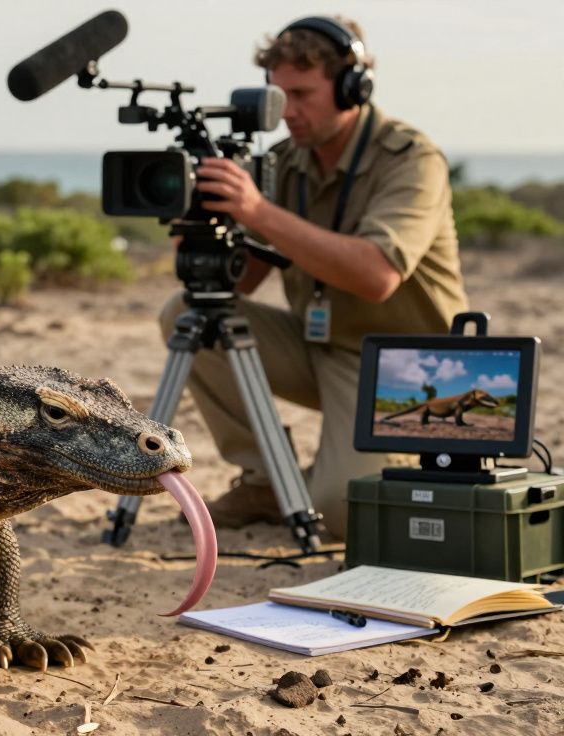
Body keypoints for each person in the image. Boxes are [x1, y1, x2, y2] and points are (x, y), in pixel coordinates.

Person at [157, 15, 469, 539]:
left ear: (353, 85)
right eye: (279, 95)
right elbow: (239, 285)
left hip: (408, 367)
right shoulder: (283, 161)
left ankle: (328, 475)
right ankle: (262, 480)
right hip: (320, 346)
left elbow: (377, 275)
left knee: (340, 513)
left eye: (302, 94)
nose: (288, 112)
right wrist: (203, 222)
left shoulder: (410, 159)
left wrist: (257, 211)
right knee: (187, 314)